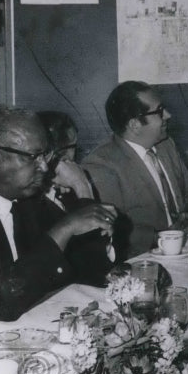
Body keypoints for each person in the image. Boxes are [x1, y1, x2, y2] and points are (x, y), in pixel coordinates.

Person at [0, 106, 117, 325]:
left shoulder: (26, 197)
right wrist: (63, 229)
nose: (44, 167)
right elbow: (2, 303)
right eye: (33, 157)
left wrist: (83, 192)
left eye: (45, 155)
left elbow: (90, 268)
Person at [83, 81, 188, 260]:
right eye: (159, 111)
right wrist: (163, 238)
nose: (168, 115)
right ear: (134, 124)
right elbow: (114, 226)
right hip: (142, 259)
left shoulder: (166, 144)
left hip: (184, 248)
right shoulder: (101, 164)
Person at [38, 110, 115, 285]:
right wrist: (83, 187)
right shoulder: (29, 203)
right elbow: (92, 268)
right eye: (74, 147)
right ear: (59, 154)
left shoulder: (66, 191)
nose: (76, 156)